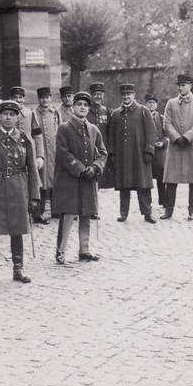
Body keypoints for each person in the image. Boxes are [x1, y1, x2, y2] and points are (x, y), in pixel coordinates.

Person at [0, 100, 41, 284]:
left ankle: (18, 269)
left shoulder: (25, 139)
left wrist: (34, 195)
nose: (8, 118)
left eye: (12, 114)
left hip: (18, 188)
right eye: (5, 114)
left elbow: (32, 169)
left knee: (17, 229)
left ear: (17, 117)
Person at [53, 91, 108, 264]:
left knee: (86, 213)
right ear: (74, 107)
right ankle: (60, 251)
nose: (82, 108)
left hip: (88, 179)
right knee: (68, 214)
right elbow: (63, 153)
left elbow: (103, 153)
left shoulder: (94, 129)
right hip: (69, 179)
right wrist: (80, 168)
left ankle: (84, 250)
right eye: (79, 105)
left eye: (85, 105)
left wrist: (95, 167)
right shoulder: (64, 128)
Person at [109, 83, 157, 223]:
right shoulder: (116, 113)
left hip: (140, 156)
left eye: (129, 94)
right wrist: (112, 154)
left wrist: (149, 150)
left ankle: (147, 213)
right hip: (123, 157)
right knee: (124, 186)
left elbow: (151, 132)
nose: (126, 97)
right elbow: (111, 136)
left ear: (134, 95)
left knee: (143, 185)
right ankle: (123, 213)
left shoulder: (143, 111)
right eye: (124, 94)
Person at [161, 74, 193, 220]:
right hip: (175, 146)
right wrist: (176, 137)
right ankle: (169, 210)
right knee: (171, 180)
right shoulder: (171, 103)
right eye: (179, 85)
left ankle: (192, 211)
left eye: (184, 85)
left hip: (192, 145)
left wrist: (187, 137)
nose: (181, 88)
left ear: (190, 86)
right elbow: (166, 123)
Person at [33, 86, 61, 223]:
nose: (45, 100)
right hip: (41, 152)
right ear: (39, 99)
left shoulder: (55, 112)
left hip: (54, 151)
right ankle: (39, 212)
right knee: (42, 182)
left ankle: (56, 210)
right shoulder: (34, 113)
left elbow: (60, 130)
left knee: (54, 180)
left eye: (47, 97)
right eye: (42, 98)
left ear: (50, 98)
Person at [145, 94, 171, 211]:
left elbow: (167, 135)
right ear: (146, 104)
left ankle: (163, 201)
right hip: (147, 152)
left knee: (161, 178)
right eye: (149, 102)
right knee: (147, 178)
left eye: (153, 103)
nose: (151, 105)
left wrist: (163, 142)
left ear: (156, 105)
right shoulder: (143, 117)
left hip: (160, 153)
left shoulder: (161, 118)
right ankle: (147, 202)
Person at [87, 82, 114, 190]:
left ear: (103, 95)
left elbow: (110, 131)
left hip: (104, 149)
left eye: (100, 94)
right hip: (90, 148)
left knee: (104, 183)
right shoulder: (87, 110)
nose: (98, 96)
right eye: (95, 94)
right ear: (92, 96)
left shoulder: (106, 111)